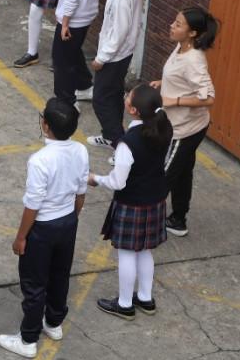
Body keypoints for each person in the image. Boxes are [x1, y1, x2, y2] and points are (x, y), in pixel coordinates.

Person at [0, 99, 87, 358]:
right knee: (60, 274)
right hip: (68, 221)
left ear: (46, 125)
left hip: (43, 228)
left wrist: (21, 237)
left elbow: (33, 205)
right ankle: (54, 322)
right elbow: (80, 192)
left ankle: (27, 339)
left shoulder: (39, 160)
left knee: (34, 283)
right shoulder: (80, 150)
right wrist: (72, 218)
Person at [88, 84, 172, 319]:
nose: (124, 97)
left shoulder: (128, 142)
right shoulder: (165, 128)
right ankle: (145, 298)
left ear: (133, 110)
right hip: (155, 199)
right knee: (145, 251)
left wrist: (96, 178)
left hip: (132, 203)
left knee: (126, 252)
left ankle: (125, 303)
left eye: (127, 96)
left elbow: (118, 182)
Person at [151, 6, 218, 237]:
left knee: (162, 177)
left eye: (178, 24)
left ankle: (144, 223)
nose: (172, 25)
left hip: (184, 129)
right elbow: (181, 76)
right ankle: (178, 219)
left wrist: (174, 99)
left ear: (192, 33)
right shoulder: (181, 46)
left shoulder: (194, 60)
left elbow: (209, 97)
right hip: (185, 125)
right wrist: (164, 82)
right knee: (182, 172)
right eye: (174, 21)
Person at [88, 0, 146, 150]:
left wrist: (102, 58)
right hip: (120, 53)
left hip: (115, 55)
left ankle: (119, 144)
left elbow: (120, 30)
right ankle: (110, 136)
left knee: (101, 99)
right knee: (112, 96)